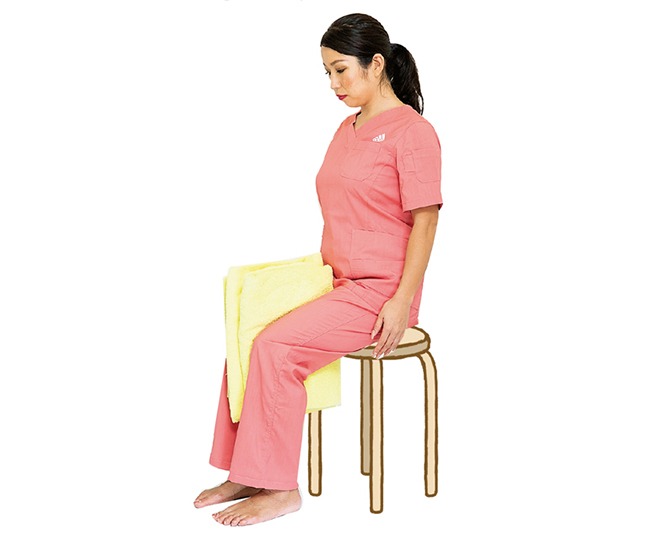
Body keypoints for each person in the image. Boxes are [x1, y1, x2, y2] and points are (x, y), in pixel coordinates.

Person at [194, 13, 443, 526]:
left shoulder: (414, 133)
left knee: (277, 347)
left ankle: (280, 489)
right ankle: (248, 470)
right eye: (327, 72)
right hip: (334, 281)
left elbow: (426, 221)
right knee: (248, 325)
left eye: (341, 70)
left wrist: (401, 301)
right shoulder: (346, 128)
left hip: (379, 293)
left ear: (377, 64)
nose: (333, 83)